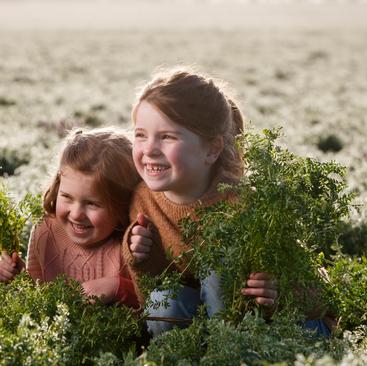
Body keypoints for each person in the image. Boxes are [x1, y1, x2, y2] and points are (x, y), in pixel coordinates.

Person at [123, 66, 332, 336]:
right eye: (141, 134)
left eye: (167, 137)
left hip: (282, 329)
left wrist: (279, 292)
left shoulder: (245, 204)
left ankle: (230, 351)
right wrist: (141, 257)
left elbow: (318, 290)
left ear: (211, 150)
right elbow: (152, 295)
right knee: (165, 303)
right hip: (213, 320)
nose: (149, 149)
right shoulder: (143, 199)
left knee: (218, 268)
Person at [0, 128, 140, 307]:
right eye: (67, 197)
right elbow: (38, 298)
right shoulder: (46, 231)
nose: (76, 214)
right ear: (57, 188)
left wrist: (118, 287)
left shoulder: (130, 244)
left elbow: (151, 308)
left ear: (121, 206)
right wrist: (16, 277)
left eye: (92, 203)